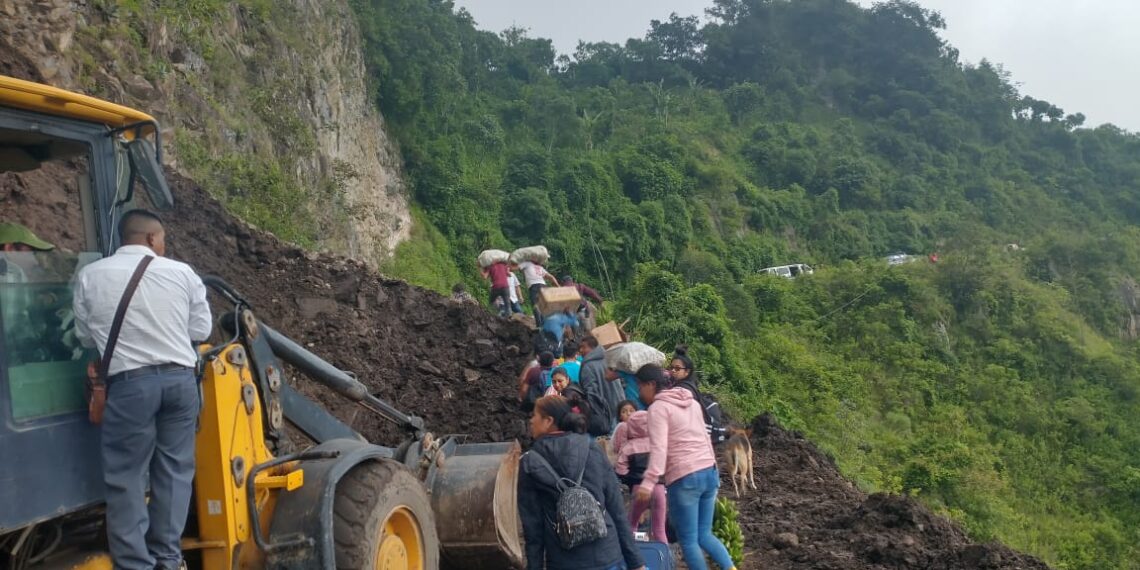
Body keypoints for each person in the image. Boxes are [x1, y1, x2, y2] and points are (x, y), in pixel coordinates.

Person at [73, 209, 211, 570]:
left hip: (130, 386)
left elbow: (85, 336)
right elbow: (201, 330)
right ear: (152, 238)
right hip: (180, 384)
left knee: (127, 476)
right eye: (163, 240)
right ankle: (167, 558)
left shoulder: (90, 276)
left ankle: (134, 565)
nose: (164, 246)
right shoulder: (182, 273)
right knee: (174, 470)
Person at [518, 395, 646, 570]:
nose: (530, 421)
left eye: (534, 416)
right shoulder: (591, 448)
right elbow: (616, 509)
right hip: (607, 553)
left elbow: (533, 528)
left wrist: (535, 566)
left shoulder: (530, 462)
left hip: (564, 559)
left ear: (548, 421)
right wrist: (636, 562)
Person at [634, 364, 736, 570]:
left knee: (689, 540)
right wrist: (713, 470)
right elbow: (706, 438)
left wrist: (649, 482)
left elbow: (659, 449)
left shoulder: (657, 409)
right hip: (709, 471)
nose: (638, 392)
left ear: (651, 384)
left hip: (685, 477)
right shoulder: (692, 402)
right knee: (704, 534)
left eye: (640, 386)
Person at [615, 409, 668, 544]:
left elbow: (620, 469)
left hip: (639, 488)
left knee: (631, 525)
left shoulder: (629, 447)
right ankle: (665, 561)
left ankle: (633, 556)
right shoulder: (659, 444)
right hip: (659, 488)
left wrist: (629, 478)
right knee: (659, 529)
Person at [578, 335, 623, 437]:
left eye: (583, 347)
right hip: (619, 406)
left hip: (605, 413)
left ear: (592, 348)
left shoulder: (588, 366)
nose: (581, 350)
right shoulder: (608, 360)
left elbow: (591, 394)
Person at [517, 257, 558, 325]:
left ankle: (539, 325)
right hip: (544, 286)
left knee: (536, 306)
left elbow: (515, 268)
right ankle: (545, 324)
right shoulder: (540, 267)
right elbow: (551, 277)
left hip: (534, 287)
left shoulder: (526, 263)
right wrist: (558, 286)